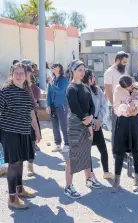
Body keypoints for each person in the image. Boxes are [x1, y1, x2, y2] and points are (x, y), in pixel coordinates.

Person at [0, 62, 41, 209]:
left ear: (26, 76)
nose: (19, 76)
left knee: (21, 161)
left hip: (24, 132)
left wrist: (36, 130)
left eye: (21, 73)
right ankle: (12, 199)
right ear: (11, 75)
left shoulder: (26, 92)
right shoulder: (4, 91)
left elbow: (31, 113)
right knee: (14, 163)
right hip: (9, 133)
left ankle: (19, 189)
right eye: (16, 73)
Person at [64, 60, 95, 199]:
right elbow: (75, 107)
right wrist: (86, 120)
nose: (82, 73)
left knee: (86, 151)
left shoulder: (85, 87)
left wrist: (91, 117)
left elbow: (91, 104)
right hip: (76, 124)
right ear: (73, 71)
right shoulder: (71, 88)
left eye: (83, 70)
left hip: (87, 122)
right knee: (73, 156)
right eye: (79, 70)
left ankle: (89, 179)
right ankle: (68, 187)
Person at [112, 75, 138, 192]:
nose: (129, 90)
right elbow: (116, 107)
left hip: (136, 121)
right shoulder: (118, 89)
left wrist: (135, 107)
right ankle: (116, 178)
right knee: (119, 151)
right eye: (126, 88)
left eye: (130, 87)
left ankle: (137, 179)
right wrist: (125, 111)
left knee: (136, 151)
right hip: (123, 121)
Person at [82, 69, 114, 185]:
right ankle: (90, 175)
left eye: (93, 76)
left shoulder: (98, 90)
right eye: (91, 76)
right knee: (87, 152)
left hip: (97, 124)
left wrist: (99, 120)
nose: (93, 78)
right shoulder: (82, 91)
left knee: (103, 149)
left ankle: (106, 171)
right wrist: (93, 121)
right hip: (87, 125)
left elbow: (103, 106)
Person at [104, 51, 129, 149]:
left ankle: (123, 150)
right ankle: (116, 153)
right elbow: (108, 91)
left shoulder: (124, 70)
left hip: (125, 104)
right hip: (115, 107)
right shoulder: (109, 72)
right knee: (116, 130)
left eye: (126, 62)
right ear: (118, 61)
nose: (125, 64)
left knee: (124, 130)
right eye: (124, 62)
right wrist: (115, 106)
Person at [46, 63, 69, 153]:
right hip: (53, 106)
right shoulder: (52, 80)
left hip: (61, 105)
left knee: (64, 125)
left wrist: (52, 84)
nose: (53, 68)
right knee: (55, 126)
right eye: (53, 67)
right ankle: (57, 144)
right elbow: (49, 94)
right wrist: (48, 105)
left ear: (60, 68)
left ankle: (67, 144)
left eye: (55, 66)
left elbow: (60, 91)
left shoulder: (64, 80)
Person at [25, 66, 42, 177]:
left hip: (30, 116)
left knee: (31, 142)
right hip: (18, 120)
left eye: (27, 72)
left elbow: (36, 102)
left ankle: (30, 165)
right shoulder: (15, 87)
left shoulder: (33, 87)